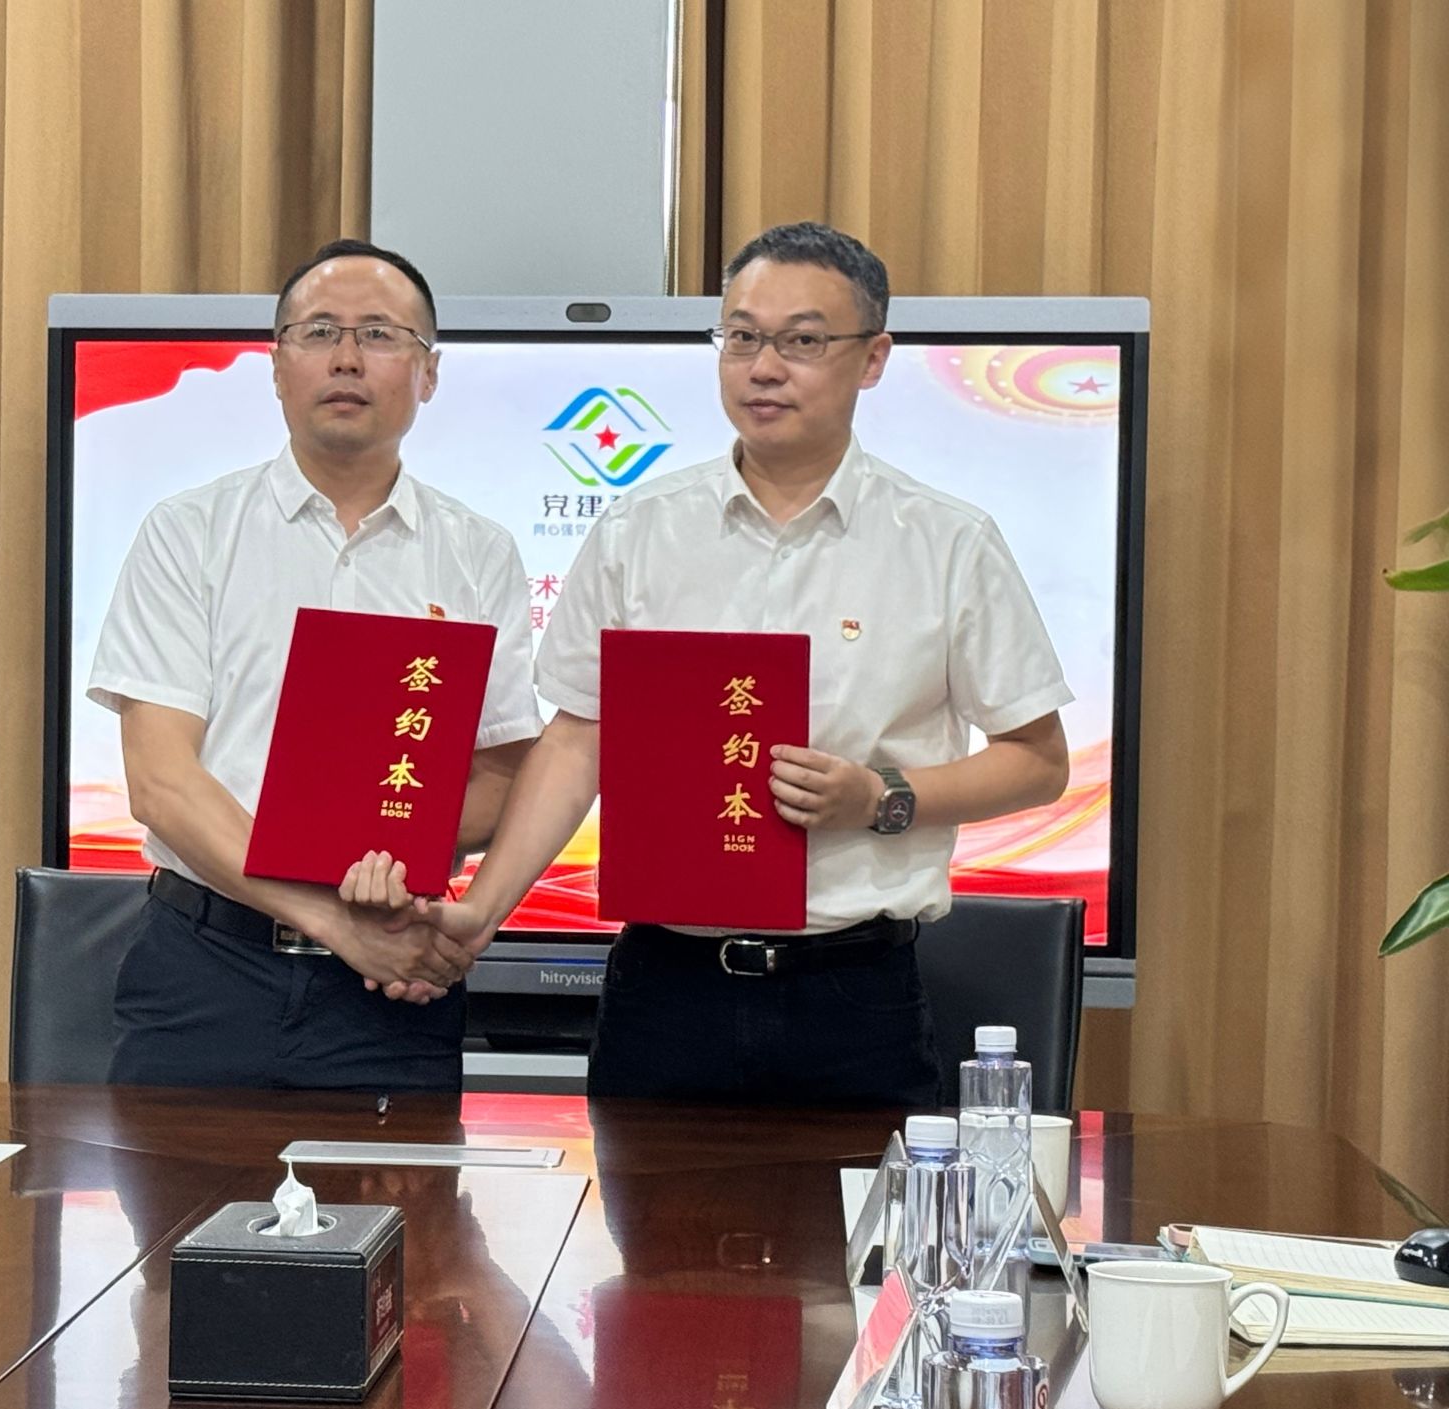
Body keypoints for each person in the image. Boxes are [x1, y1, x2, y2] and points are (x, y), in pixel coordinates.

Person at [361, 221, 1071, 1106]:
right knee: (639, 1205)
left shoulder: (946, 541)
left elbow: (1038, 761)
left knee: (856, 1206)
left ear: (873, 358)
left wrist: (880, 796)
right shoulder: (641, 529)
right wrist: (479, 913)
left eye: (802, 342)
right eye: (741, 337)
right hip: (665, 991)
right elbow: (577, 740)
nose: (763, 368)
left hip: (854, 993)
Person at [87, 238, 543, 1092]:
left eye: (379, 334)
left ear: (429, 373)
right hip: (206, 969)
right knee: (171, 1187)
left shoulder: (478, 553)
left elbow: (503, 776)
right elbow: (162, 783)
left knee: (397, 1189)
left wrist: (391, 878)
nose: (346, 359)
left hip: (392, 987)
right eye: (319, 332)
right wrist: (336, 919)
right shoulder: (189, 533)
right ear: (275, 365)